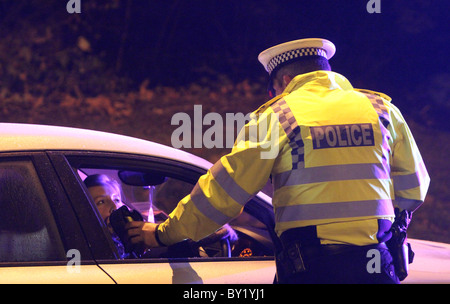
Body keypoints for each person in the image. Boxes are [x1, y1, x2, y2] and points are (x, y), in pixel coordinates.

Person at [125, 38, 430, 283]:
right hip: (377, 266)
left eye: (272, 89)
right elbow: (414, 189)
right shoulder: (381, 110)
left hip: (312, 270)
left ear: (284, 80)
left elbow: (222, 194)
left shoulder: (279, 117)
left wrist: (164, 234)